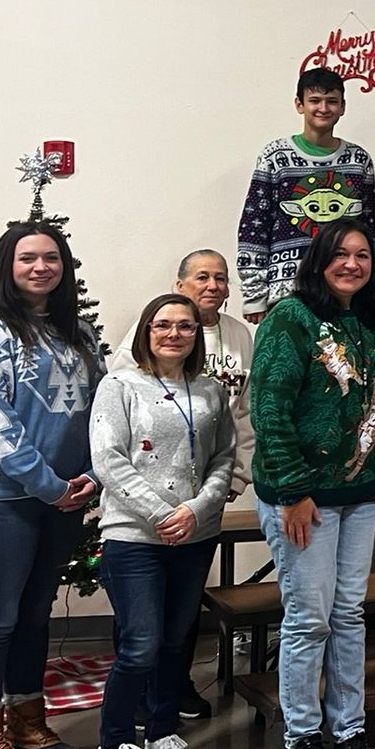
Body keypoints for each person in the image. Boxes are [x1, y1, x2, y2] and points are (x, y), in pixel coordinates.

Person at [248, 218, 375, 749]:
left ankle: (348, 730)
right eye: (340, 254)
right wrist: (292, 492)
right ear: (318, 260)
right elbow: (269, 409)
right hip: (303, 498)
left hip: (358, 496)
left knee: (347, 614)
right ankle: (301, 737)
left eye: (363, 255)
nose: (352, 264)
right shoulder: (289, 320)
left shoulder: (374, 321)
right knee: (309, 617)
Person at [0, 221, 102, 749]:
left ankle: (28, 721)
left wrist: (86, 476)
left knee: (35, 613)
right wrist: (49, 484)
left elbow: (99, 411)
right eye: (28, 258)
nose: (41, 267)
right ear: (6, 267)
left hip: (63, 495)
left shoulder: (78, 333)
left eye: (52, 258)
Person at [88, 294, 237, 749]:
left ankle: (163, 732)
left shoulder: (211, 390)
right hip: (135, 536)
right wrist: (160, 514)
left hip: (195, 534)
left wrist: (196, 510)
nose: (174, 334)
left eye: (186, 327)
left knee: (177, 643)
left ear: (198, 334)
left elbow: (224, 458)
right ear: (146, 331)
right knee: (141, 645)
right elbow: (108, 459)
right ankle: (114, 745)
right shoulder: (119, 385)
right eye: (163, 325)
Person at [110, 248, 255, 721]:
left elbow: (243, 417)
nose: (212, 285)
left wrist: (230, 481)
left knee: (183, 610)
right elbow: (120, 416)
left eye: (220, 278)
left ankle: (175, 690)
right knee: (142, 617)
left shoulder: (240, 336)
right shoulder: (151, 328)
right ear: (180, 284)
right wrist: (155, 504)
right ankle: (136, 701)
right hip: (146, 500)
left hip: (207, 492)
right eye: (201, 277)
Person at [237, 68, 375, 322]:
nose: (323, 108)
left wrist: (371, 288)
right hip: (288, 290)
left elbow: (367, 229)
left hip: (345, 291)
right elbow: (254, 227)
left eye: (331, 101)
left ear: (343, 107)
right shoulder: (275, 156)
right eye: (314, 100)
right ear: (299, 105)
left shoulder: (359, 160)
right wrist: (254, 295)